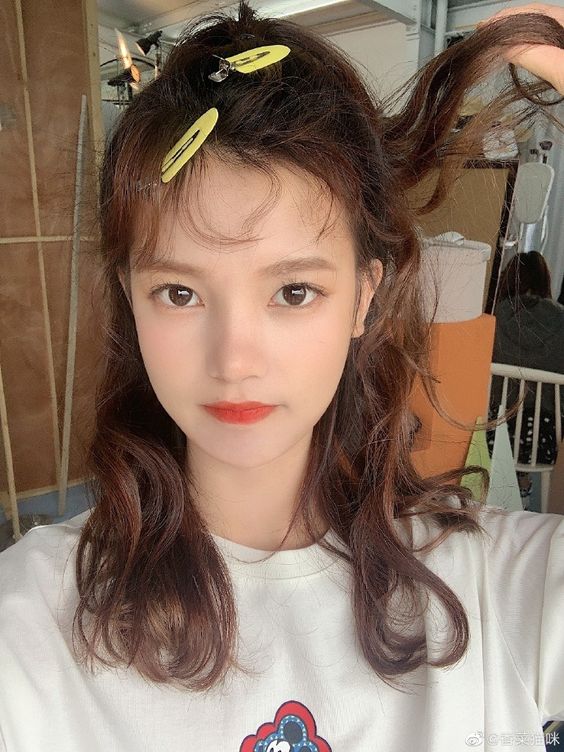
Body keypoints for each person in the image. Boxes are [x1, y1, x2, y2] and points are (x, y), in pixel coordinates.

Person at [1, 2, 563, 750]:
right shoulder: (33, 621)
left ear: (363, 296)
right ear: (130, 298)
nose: (234, 360)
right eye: (180, 293)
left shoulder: (498, 590)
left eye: (294, 291)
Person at [488, 251, 564, 503]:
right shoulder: (562, 320)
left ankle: (501, 495)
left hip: (495, 433)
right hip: (545, 441)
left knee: (497, 406)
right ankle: (523, 491)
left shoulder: (493, 318)